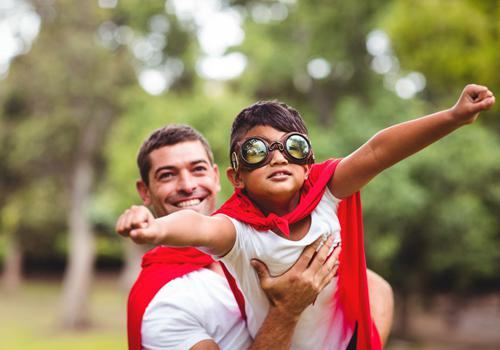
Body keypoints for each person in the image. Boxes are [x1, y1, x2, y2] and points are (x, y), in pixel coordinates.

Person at [120, 84, 493, 348]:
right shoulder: (235, 232)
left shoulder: (326, 192)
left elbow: (379, 151)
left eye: (292, 147)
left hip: (345, 342)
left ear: (309, 162)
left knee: (375, 285)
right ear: (237, 178)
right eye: (256, 151)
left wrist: (452, 116)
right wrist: (151, 229)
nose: (278, 157)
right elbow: (197, 226)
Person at [124, 125, 344, 350]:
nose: (188, 186)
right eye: (167, 175)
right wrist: (286, 311)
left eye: (198, 169)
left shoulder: (258, 240)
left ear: (217, 177)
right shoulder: (165, 301)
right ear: (144, 191)